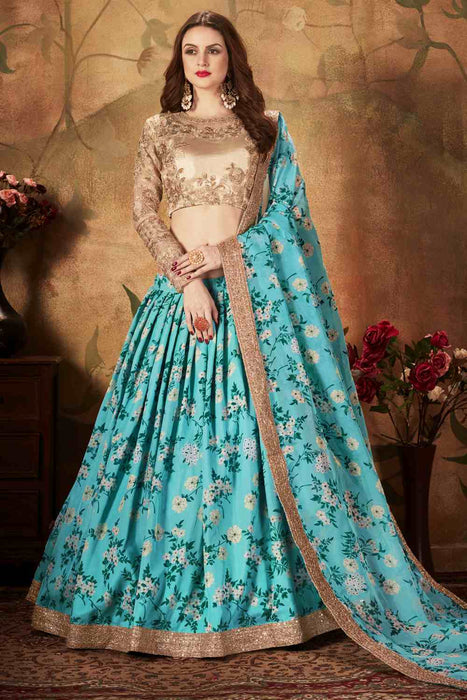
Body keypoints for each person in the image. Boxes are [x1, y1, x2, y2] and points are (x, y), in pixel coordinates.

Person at [25, 9, 467, 690]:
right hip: (181, 304)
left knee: (257, 448)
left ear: (232, 58)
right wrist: (187, 280)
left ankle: (272, 599)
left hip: (253, 309)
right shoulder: (159, 129)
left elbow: (288, 218)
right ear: (180, 61)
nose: (202, 61)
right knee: (160, 450)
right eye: (191, 51)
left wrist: (223, 259)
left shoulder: (267, 128)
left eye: (214, 50)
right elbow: (143, 210)